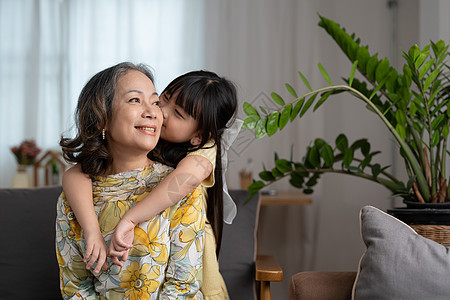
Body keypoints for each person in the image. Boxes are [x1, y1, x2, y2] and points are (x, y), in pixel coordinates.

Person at [61, 68, 240, 299]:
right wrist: (92, 230)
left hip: (195, 271)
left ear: (199, 136)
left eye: (177, 113)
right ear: (102, 116)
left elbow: (187, 178)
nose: (160, 113)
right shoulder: (83, 192)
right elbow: (74, 175)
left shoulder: (199, 157)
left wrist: (131, 218)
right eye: (161, 100)